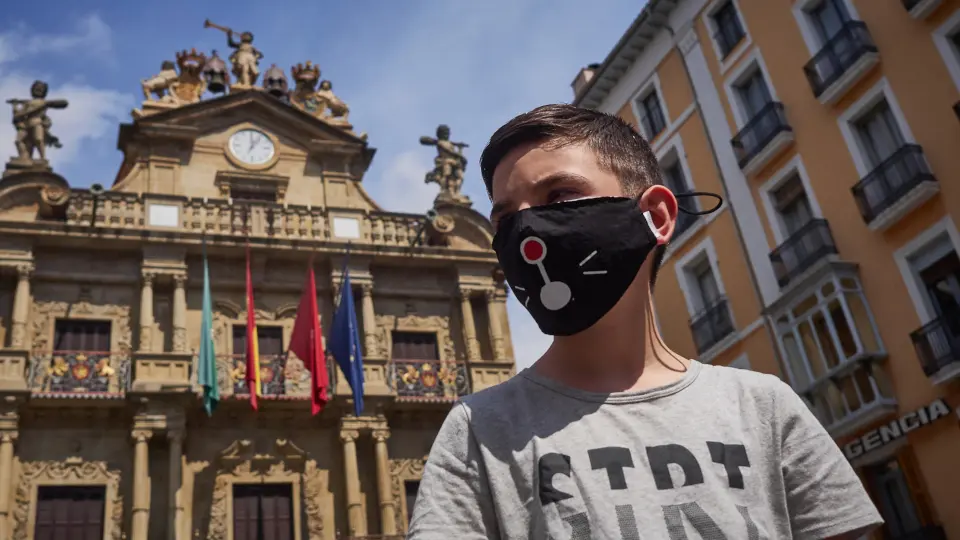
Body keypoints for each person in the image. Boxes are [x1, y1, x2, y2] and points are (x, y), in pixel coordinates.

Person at [407, 104, 882, 539]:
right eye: (505, 219)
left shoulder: (764, 407)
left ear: (656, 216)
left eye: (560, 195)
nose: (527, 235)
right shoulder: (479, 431)